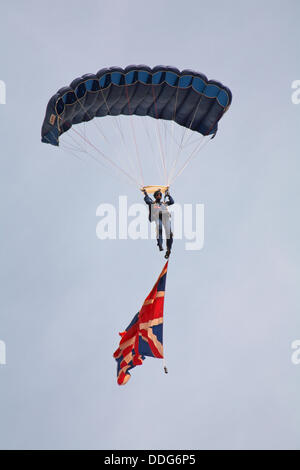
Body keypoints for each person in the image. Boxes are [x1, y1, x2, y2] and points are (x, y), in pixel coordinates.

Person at [143, 187, 174, 259]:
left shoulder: (164, 203)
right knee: (159, 228)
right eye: (158, 195)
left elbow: (172, 202)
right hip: (158, 217)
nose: (159, 196)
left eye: (160, 195)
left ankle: (169, 249)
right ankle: (160, 244)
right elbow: (147, 201)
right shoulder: (153, 203)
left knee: (169, 233)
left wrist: (168, 195)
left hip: (165, 218)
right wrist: (145, 194)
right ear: (155, 196)